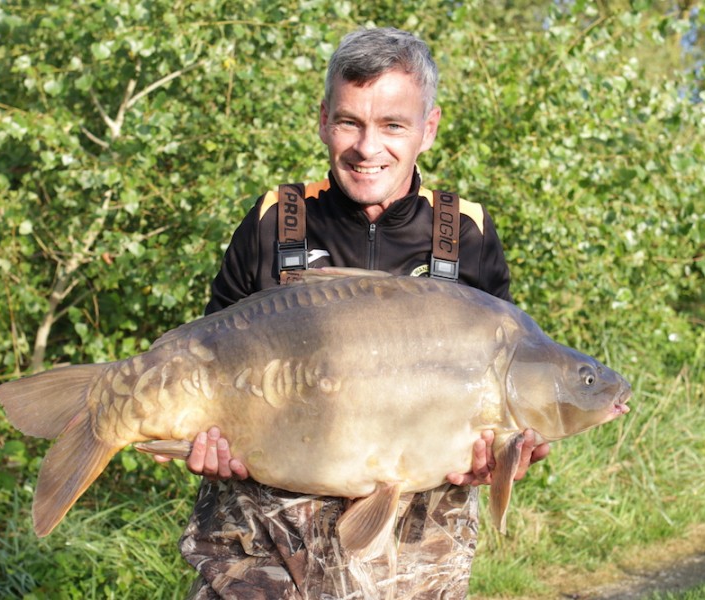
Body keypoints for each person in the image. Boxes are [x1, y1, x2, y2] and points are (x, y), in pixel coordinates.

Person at [156, 27, 550, 599]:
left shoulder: (465, 232)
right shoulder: (274, 218)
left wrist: (507, 454)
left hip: (414, 553)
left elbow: (503, 392)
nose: (369, 148)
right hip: (264, 544)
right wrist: (206, 442)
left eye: (393, 125)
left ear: (428, 130)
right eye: (349, 123)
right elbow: (206, 364)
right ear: (323, 121)